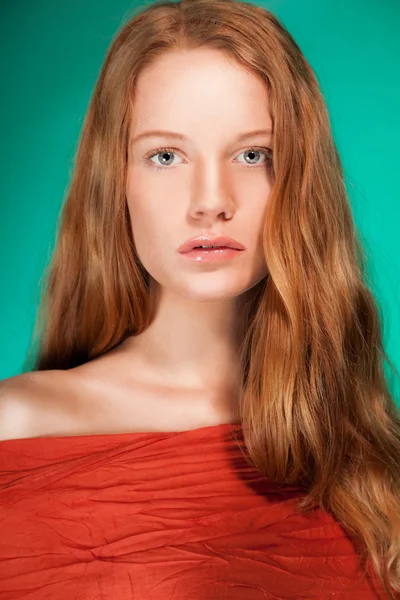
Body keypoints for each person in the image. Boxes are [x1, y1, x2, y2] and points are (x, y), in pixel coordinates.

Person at [0, 0, 399, 598]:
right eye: (165, 155)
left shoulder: (364, 449)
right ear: (117, 181)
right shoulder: (17, 427)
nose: (211, 200)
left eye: (252, 154)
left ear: (299, 178)